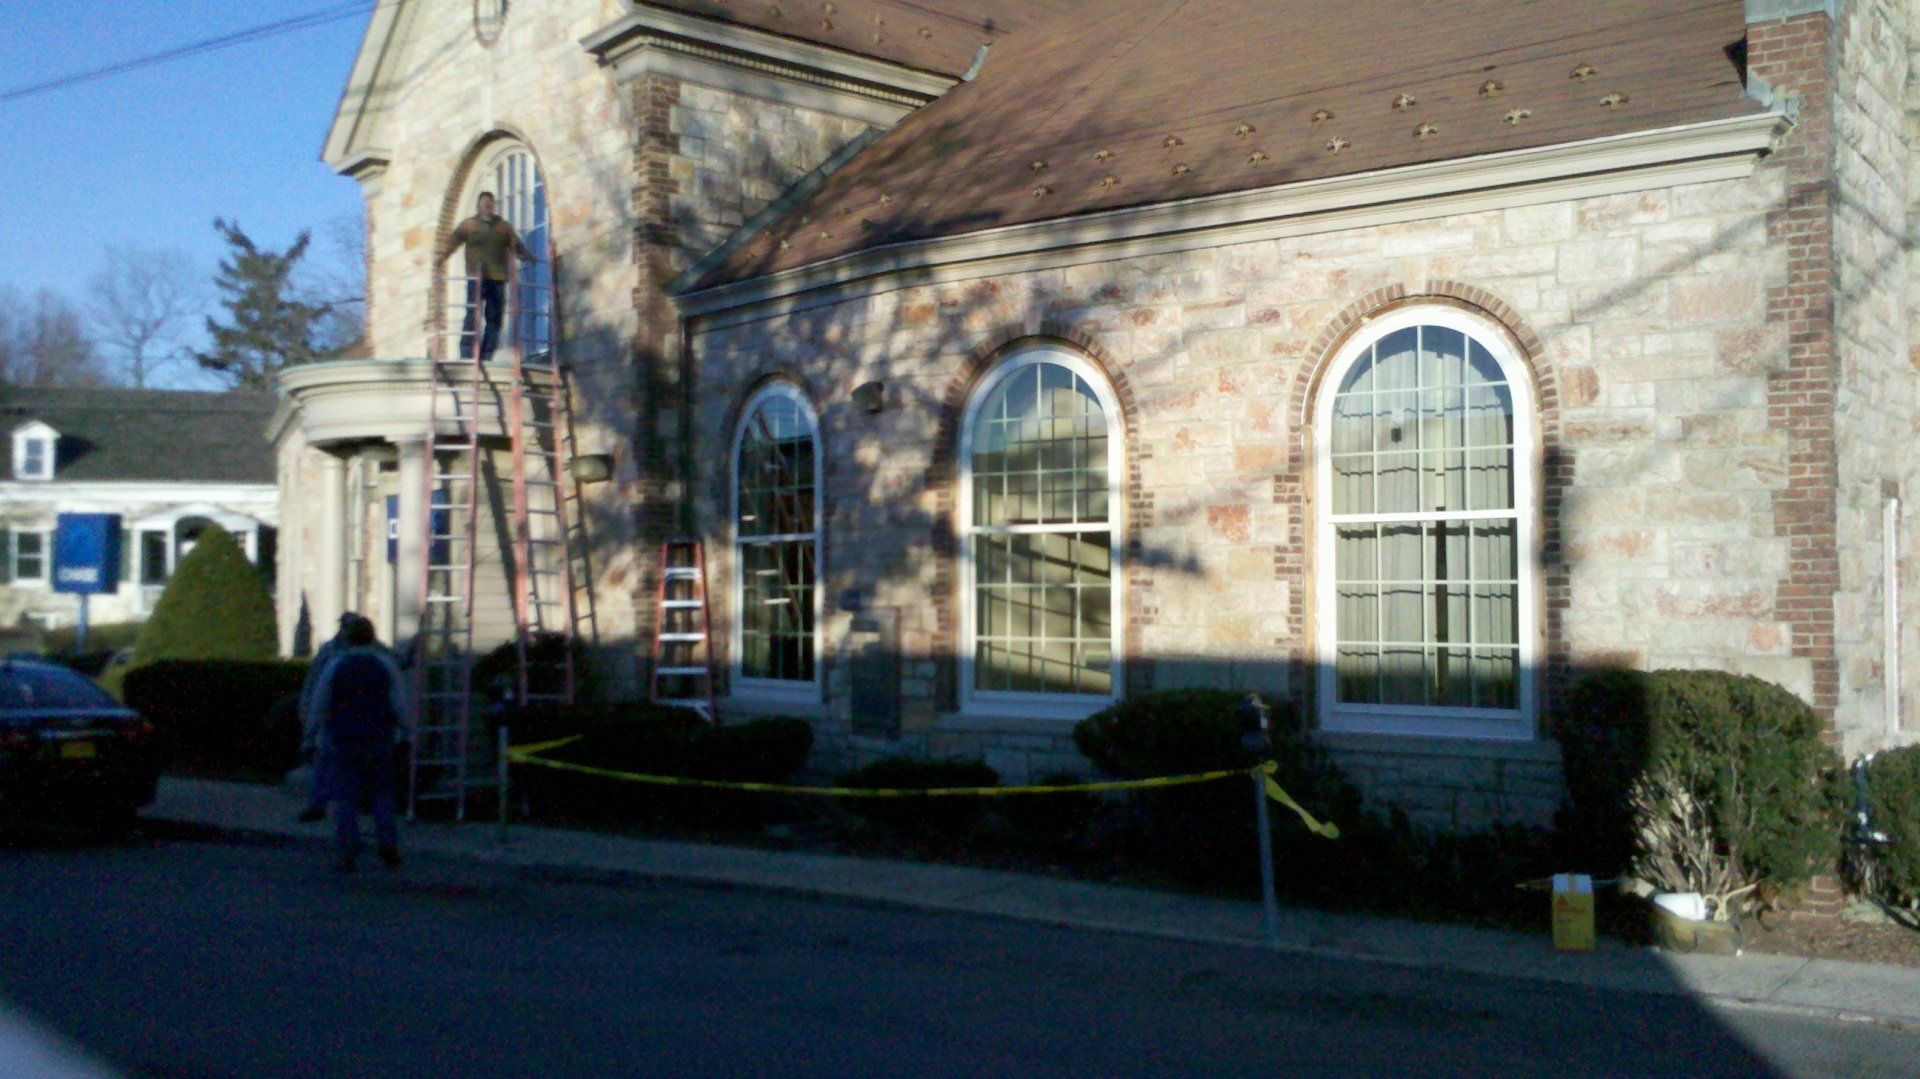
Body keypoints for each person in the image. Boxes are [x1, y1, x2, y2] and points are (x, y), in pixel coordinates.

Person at [309, 616, 411, 872]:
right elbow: (399, 702)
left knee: (346, 798)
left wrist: (310, 736)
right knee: (382, 794)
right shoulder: (385, 665)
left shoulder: (336, 665)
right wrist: (408, 732)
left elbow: (319, 703)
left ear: (347, 638)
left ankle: (347, 851)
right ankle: (387, 842)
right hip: (379, 737)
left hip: (343, 739)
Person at [440, 191, 535, 362]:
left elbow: (517, 245)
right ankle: (467, 353)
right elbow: (453, 241)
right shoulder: (470, 225)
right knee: (472, 314)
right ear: (478, 206)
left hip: (497, 278)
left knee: (494, 319)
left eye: (490, 204)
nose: (487, 207)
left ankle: (486, 355)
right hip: (476, 277)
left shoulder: (503, 227)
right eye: (484, 204)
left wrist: (529, 257)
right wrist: (442, 257)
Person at [294, 613, 361, 824]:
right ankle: (317, 804)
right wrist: (306, 706)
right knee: (322, 760)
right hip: (331, 715)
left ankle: (338, 805)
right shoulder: (329, 650)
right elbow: (314, 680)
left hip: (354, 716)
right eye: (343, 625)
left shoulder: (367, 650)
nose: (344, 630)